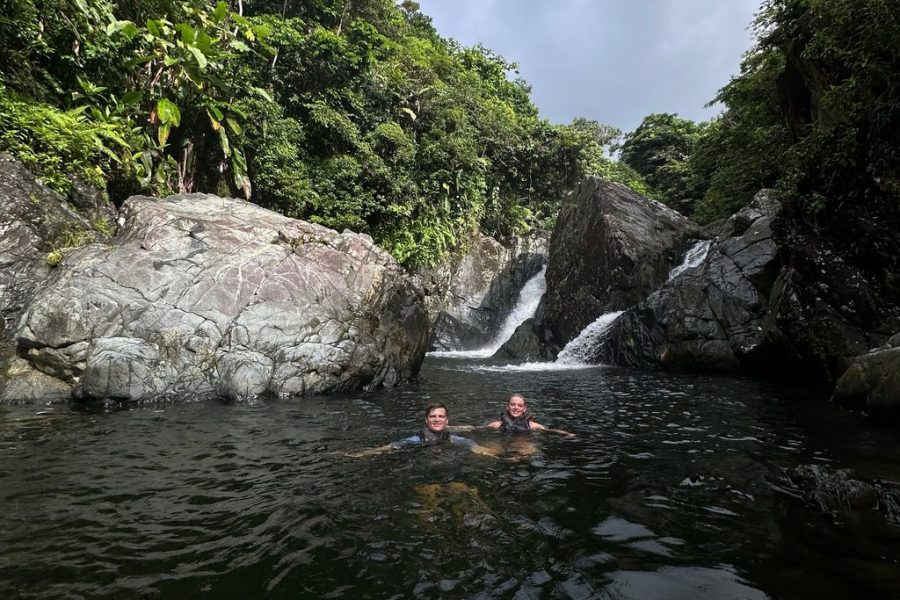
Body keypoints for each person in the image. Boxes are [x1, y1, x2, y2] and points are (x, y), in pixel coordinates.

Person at [345, 402, 496, 457]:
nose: (437, 419)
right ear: (426, 420)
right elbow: (392, 446)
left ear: (447, 420)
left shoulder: (451, 437)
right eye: (433, 416)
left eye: (440, 416)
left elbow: (470, 443)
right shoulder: (418, 439)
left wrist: (490, 453)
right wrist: (363, 453)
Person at [486, 394, 574, 436]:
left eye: (520, 405)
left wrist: (567, 434)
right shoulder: (497, 424)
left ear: (524, 409)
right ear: (507, 407)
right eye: (512, 404)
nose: (516, 408)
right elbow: (478, 429)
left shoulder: (531, 425)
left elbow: (550, 430)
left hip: (523, 443)